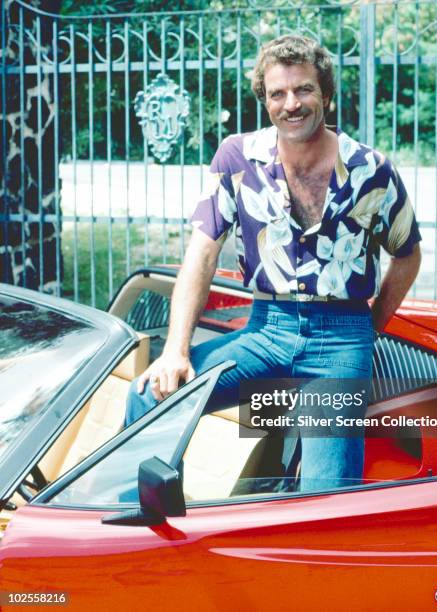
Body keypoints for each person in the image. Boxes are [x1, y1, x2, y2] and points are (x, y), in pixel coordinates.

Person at [125, 35, 421, 492]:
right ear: (264, 100)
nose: (292, 104)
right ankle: (145, 528)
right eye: (278, 93)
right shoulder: (237, 157)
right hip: (267, 332)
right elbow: (201, 254)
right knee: (150, 395)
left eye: (303, 89)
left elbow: (407, 252)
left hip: (340, 342)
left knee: (324, 496)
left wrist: (370, 325)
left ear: (326, 95)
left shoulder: (370, 170)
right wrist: (175, 351)